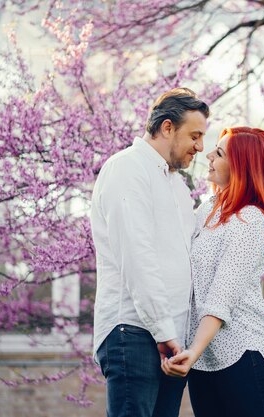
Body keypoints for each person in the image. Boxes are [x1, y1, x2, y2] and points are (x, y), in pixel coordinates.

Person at [90, 87, 209, 417]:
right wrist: (164, 331)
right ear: (167, 127)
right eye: (195, 135)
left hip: (171, 340)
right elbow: (137, 256)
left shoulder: (176, 186)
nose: (200, 147)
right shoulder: (126, 169)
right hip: (136, 332)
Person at [162, 127, 264, 417]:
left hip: (243, 356)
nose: (208, 154)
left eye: (219, 152)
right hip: (203, 359)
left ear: (243, 165)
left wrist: (193, 350)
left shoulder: (251, 219)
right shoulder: (209, 209)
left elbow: (222, 295)